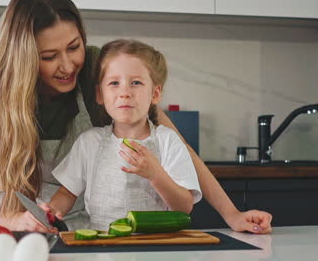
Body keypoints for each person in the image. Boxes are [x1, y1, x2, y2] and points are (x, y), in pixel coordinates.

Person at [0, 0, 272, 234]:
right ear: (23, 58)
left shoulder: (98, 71)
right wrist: (15, 219)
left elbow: (178, 147)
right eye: (49, 57)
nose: (68, 65)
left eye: (74, 47)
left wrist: (232, 215)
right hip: (28, 224)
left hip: (91, 225)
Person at [46, 39, 202, 230]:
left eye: (136, 82)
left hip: (156, 248)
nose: (125, 92)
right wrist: (50, 213)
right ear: (100, 95)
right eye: (114, 83)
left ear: (155, 93)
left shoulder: (168, 141)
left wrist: (155, 175)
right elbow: (67, 194)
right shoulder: (89, 142)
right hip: (100, 249)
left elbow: (184, 207)